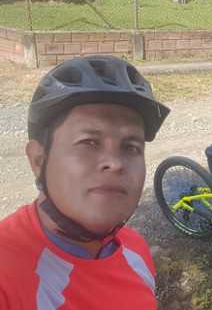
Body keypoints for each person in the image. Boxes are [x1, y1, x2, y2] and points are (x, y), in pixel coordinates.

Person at [0, 55, 170, 310]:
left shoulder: (136, 251)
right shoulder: (7, 270)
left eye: (131, 147)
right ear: (38, 159)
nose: (115, 163)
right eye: (89, 142)